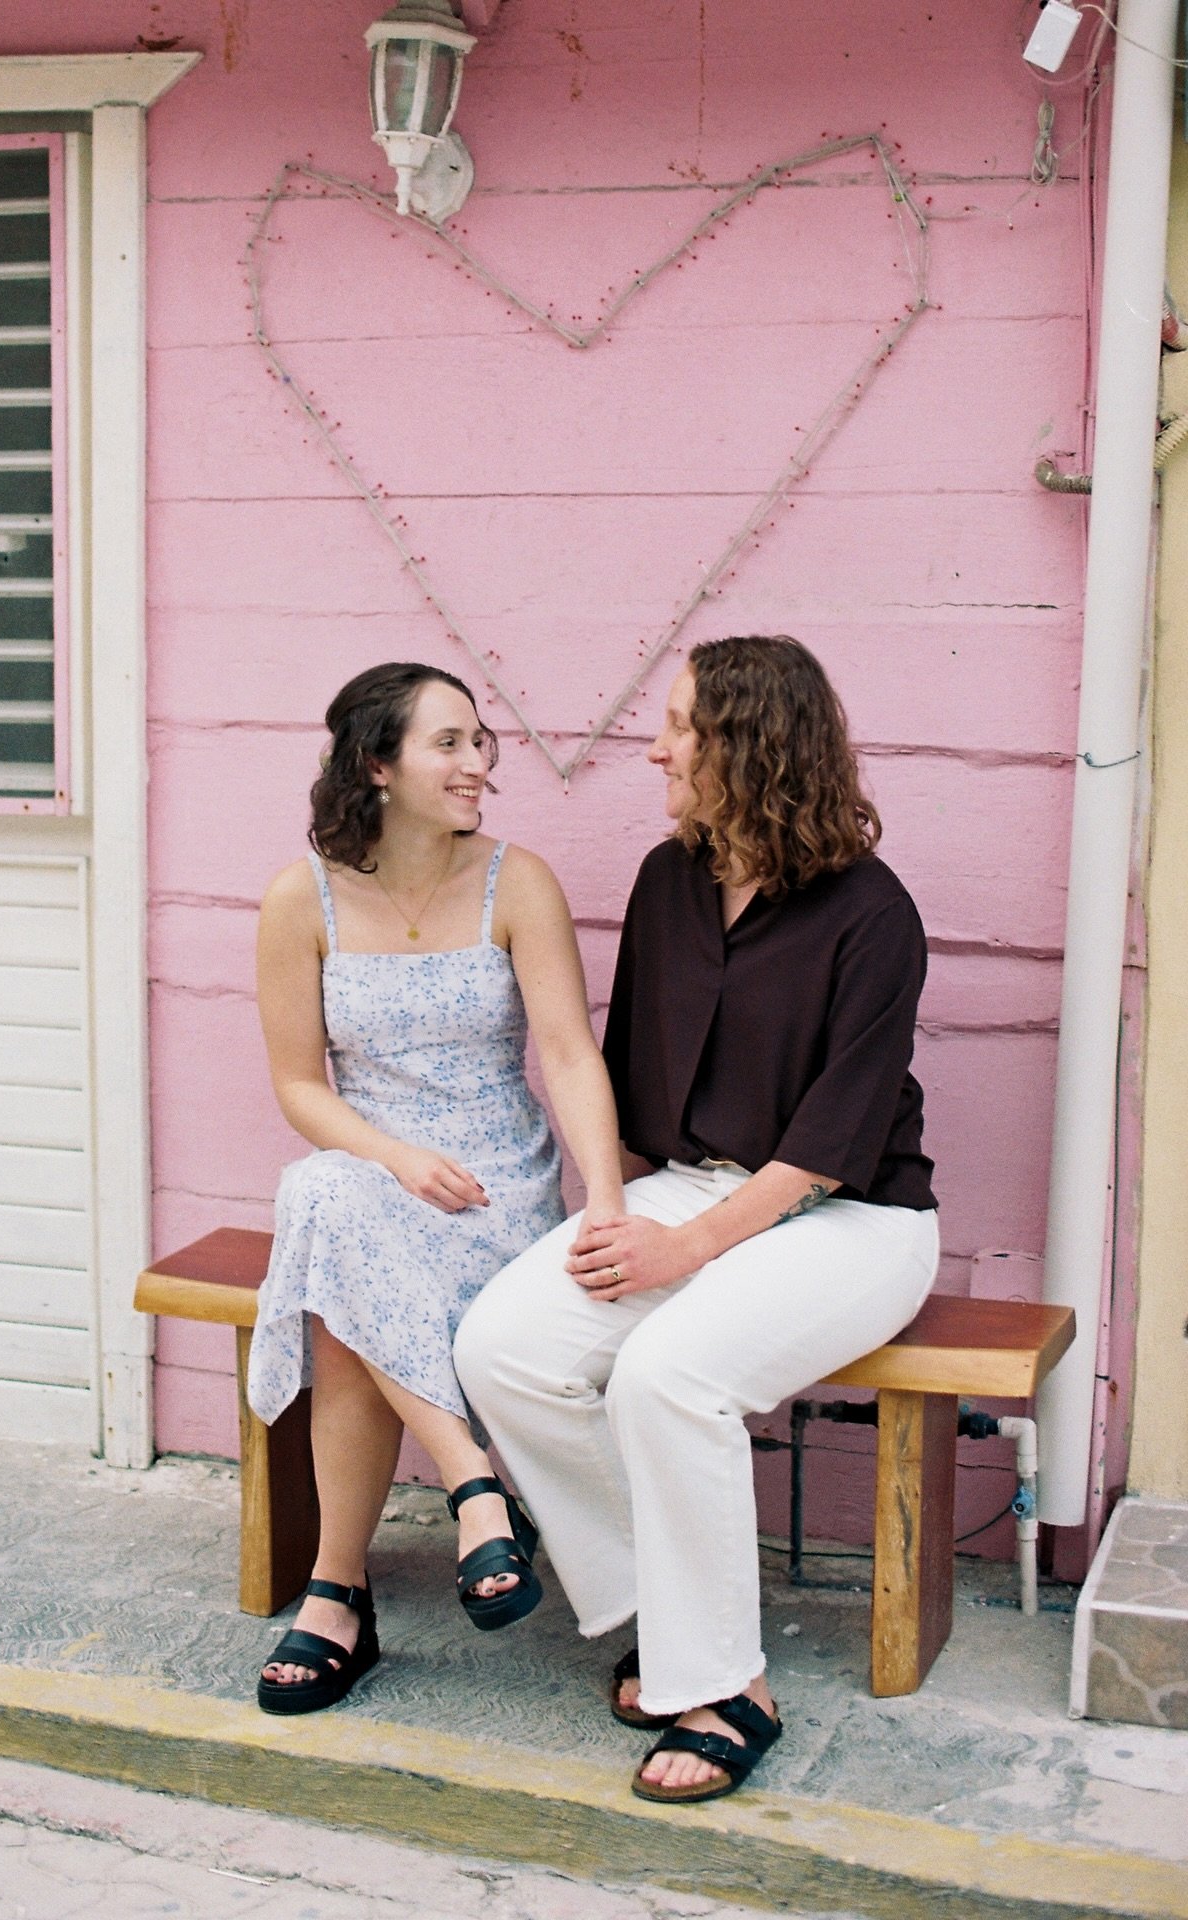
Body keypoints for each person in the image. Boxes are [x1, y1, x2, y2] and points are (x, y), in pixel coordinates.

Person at [455, 634, 939, 1804]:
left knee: (666, 1375)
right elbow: (634, 1072)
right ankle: (671, 1619)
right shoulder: (668, 881)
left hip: (852, 1216)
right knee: (504, 1346)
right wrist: (608, 1216)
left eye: (680, 727)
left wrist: (680, 1249)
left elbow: (831, 1140)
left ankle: (727, 1686)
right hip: (690, 1185)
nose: (656, 749)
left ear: (751, 746)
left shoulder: (874, 915)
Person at [249, 661, 623, 1715]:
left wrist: (605, 1196)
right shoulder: (300, 899)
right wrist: (394, 1157)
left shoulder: (518, 881)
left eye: (478, 741)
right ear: (378, 764)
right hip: (377, 1174)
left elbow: (569, 1053)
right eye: (448, 744)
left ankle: (338, 1596)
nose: (477, 764)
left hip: (495, 1192)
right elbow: (298, 1086)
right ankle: (473, 1484)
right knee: (328, 1196)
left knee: (340, 1289)